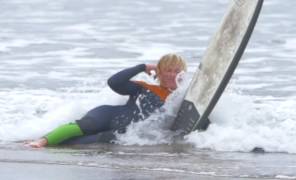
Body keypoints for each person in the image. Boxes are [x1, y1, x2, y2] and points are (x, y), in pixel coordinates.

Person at [27, 53, 187, 148]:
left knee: (95, 142)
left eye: (177, 71)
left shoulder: (181, 97)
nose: (172, 75)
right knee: (88, 125)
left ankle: (54, 144)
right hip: (107, 115)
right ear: (159, 73)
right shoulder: (145, 88)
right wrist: (142, 67)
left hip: (123, 132)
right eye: (168, 70)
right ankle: (42, 140)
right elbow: (114, 82)